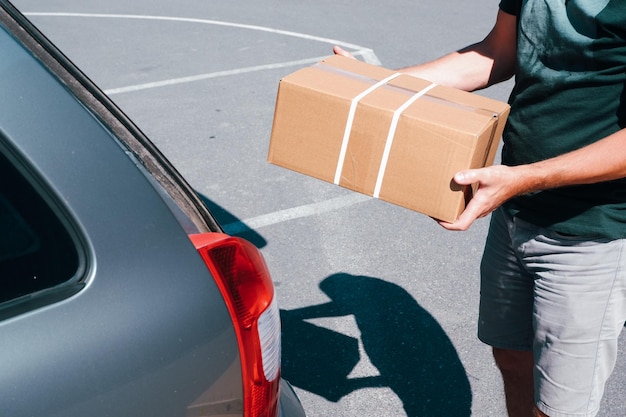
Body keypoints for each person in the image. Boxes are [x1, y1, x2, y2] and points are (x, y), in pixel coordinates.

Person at [335, 1, 626, 416]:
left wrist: (524, 177)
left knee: (560, 408)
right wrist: (384, 84)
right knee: (511, 358)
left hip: (590, 233)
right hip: (513, 210)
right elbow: (496, 52)